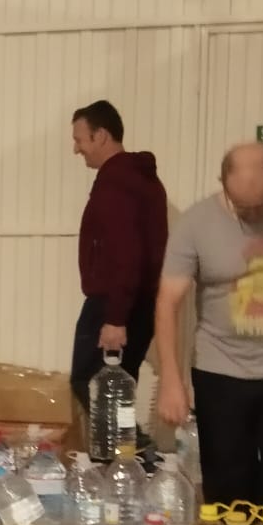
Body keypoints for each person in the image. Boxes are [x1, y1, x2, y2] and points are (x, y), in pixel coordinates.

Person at [155, 142, 263, 515]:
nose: (251, 215)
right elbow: (168, 302)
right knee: (230, 487)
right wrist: (172, 379)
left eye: (262, 206)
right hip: (221, 369)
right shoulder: (196, 224)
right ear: (223, 184)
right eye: (241, 206)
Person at [69, 100, 168, 407]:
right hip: (137, 305)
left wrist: (115, 318)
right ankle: (123, 451)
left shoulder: (117, 182)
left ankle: (122, 451)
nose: (76, 149)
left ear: (101, 136)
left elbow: (126, 252)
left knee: (91, 385)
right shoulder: (141, 179)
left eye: (79, 139)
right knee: (116, 393)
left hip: (114, 305)